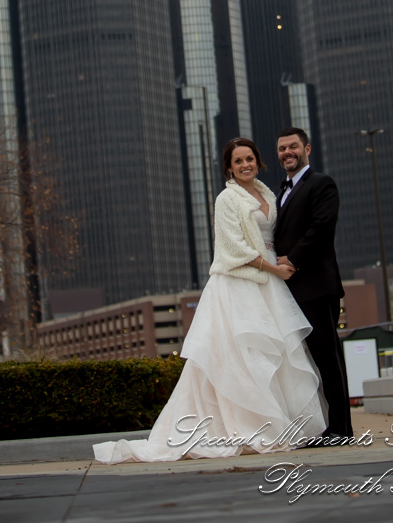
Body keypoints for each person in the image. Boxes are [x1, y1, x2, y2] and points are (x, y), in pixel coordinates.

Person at [93, 137, 325, 464]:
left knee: (274, 355)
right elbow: (234, 249)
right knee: (241, 357)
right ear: (228, 168)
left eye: (250, 159)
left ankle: (279, 424)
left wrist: (281, 264)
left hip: (270, 283)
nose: (245, 165)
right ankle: (248, 424)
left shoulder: (268, 194)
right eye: (238, 161)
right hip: (239, 284)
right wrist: (273, 268)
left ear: (258, 161)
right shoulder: (227, 199)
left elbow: (271, 237)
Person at [274, 127, 353, 439]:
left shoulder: (322, 184)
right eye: (282, 149)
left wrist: (292, 259)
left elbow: (321, 228)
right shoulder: (281, 191)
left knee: (327, 358)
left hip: (317, 287)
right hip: (291, 291)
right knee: (307, 362)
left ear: (307, 148)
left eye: (293, 147)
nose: (287, 153)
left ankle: (341, 429)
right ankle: (322, 425)